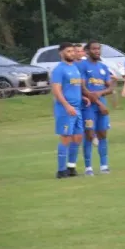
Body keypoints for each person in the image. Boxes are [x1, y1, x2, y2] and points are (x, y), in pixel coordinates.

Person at [51, 42, 89, 178]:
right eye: (68, 51)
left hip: (77, 108)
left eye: (73, 51)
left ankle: (71, 167)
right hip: (65, 109)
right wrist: (67, 105)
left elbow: (74, 87)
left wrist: (83, 97)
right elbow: (56, 90)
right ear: (61, 53)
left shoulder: (75, 68)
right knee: (66, 137)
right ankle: (61, 171)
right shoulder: (59, 70)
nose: (72, 53)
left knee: (78, 137)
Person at [80, 41, 113, 175]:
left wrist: (100, 94)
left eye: (98, 49)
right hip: (88, 106)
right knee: (88, 134)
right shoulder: (82, 66)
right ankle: (88, 167)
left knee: (102, 133)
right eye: (94, 49)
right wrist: (99, 103)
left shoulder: (103, 67)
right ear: (87, 51)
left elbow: (110, 87)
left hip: (101, 103)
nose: (97, 51)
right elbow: (82, 87)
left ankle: (104, 165)